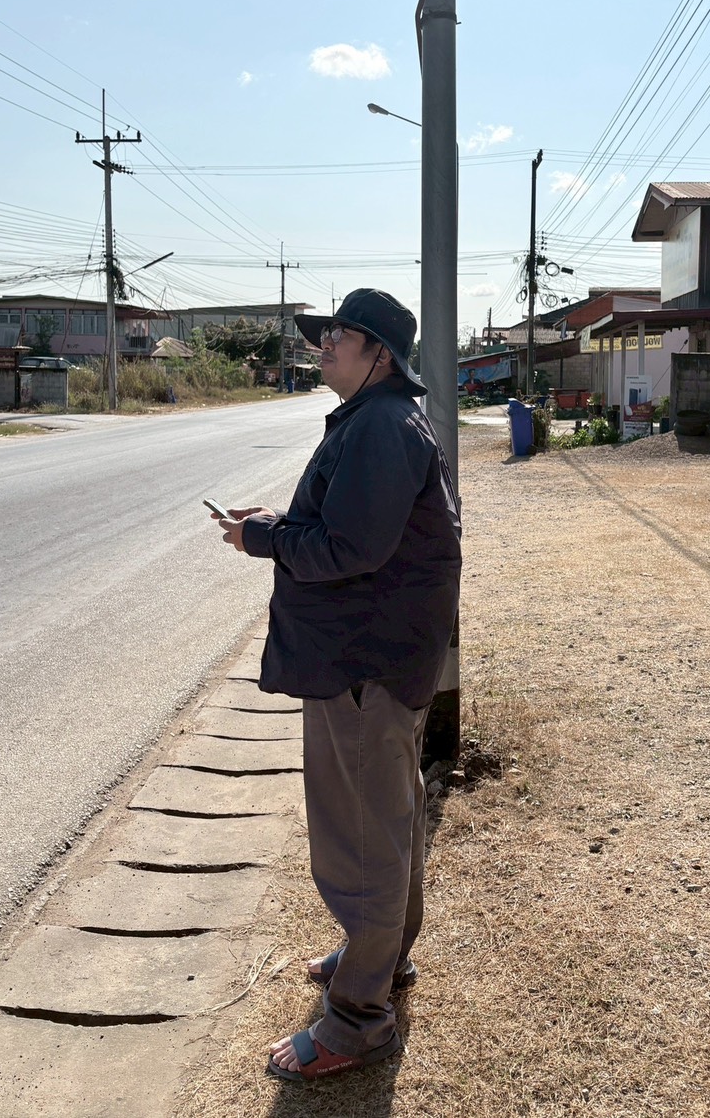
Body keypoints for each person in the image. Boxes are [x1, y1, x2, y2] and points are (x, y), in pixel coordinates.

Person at [215, 288, 461, 1083]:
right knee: (388, 822)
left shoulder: (383, 426)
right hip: (380, 658)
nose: (322, 346)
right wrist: (280, 521)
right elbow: (347, 525)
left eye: (338, 337)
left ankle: (359, 1018)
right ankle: (379, 962)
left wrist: (263, 538)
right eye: (323, 336)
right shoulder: (380, 418)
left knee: (362, 839)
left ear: (378, 354)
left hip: (364, 663)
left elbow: (348, 548)